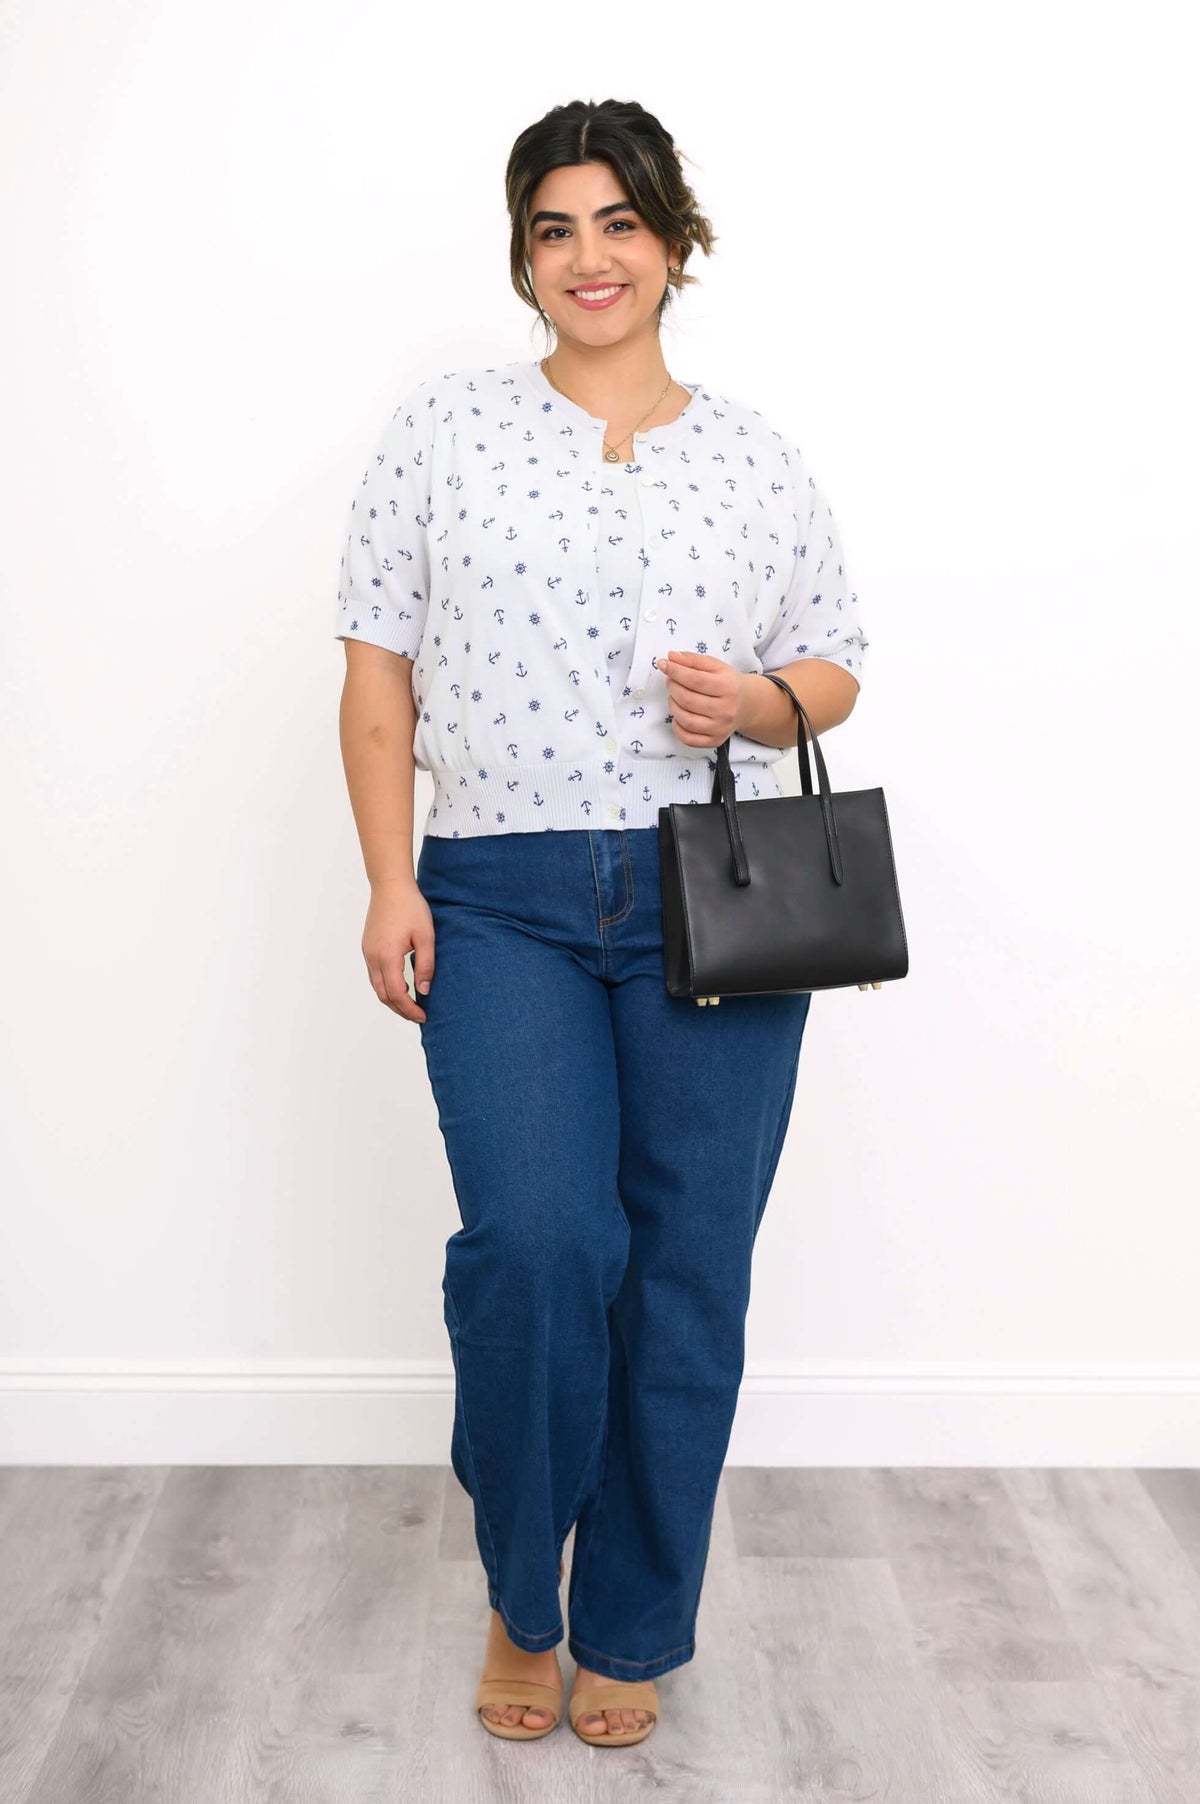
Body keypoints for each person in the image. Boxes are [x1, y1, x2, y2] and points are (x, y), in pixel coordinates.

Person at [334, 97, 868, 1750]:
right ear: (525, 255)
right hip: (496, 892)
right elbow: (376, 684)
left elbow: (836, 664)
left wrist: (763, 702)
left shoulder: (756, 452)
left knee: (687, 1269)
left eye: (619, 224)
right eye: (556, 229)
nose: (590, 258)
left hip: (710, 902)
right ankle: (521, 1588)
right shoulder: (442, 434)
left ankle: (634, 1618)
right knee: (542, 1247)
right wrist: (388, 878)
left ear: (673, 241)